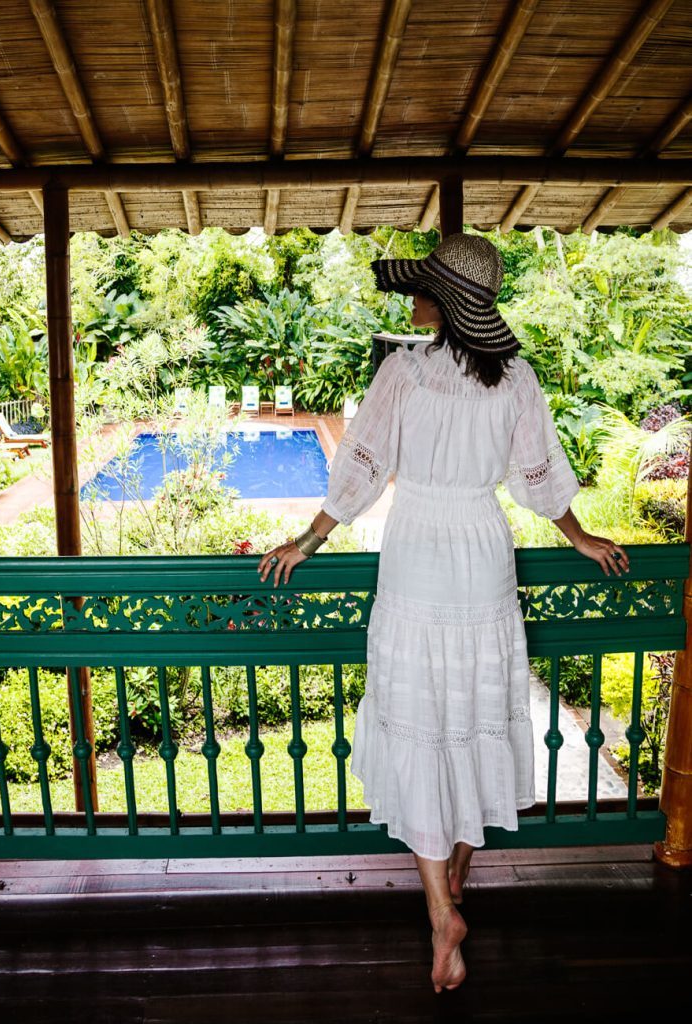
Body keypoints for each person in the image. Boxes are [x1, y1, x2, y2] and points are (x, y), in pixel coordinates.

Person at [256, 232, 630, 994]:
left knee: (420, 715)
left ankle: (440, 912)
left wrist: (310, 538)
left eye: (424, 287)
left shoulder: (405, 371)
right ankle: (453, 887)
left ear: (448, 302)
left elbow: (361, 461)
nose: (413, 297)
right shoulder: (515, 378)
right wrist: (577, 535)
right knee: (470, 711)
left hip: (419, 549)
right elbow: (537, 477)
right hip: (482, 554)